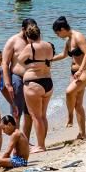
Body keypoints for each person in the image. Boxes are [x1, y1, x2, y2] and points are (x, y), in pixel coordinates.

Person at [52, 17, 86, 140]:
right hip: (74, 73)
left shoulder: (78, 36)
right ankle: (83, 134)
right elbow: (63, 55)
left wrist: (80, 70)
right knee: (78, 104)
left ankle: (70, 116)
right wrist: (48, 60)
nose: (58, 36)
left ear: (63, 29)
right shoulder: (68, 40)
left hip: (85, 72)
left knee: (69, 92)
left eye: (57, 33)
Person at [17, 22, 55, 152]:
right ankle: (42, 143)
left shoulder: (30, 47)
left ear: (28, 37)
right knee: (43, 115)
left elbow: (20, 60)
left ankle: (40, 146)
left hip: (34, 83)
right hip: (48, 82)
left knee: (36, 117)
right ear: (40, 34)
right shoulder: (49, 45)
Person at [2, 19, 34, 140]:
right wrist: (8, 84)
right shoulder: (13, 41)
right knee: (16, 113)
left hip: (32, 79)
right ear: (23, 29)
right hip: (17, 78)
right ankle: (15, 143)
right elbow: (5, 63)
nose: (31, 32)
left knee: (29, 113)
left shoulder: (34, 39)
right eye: (29, 30)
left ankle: (25, 140)